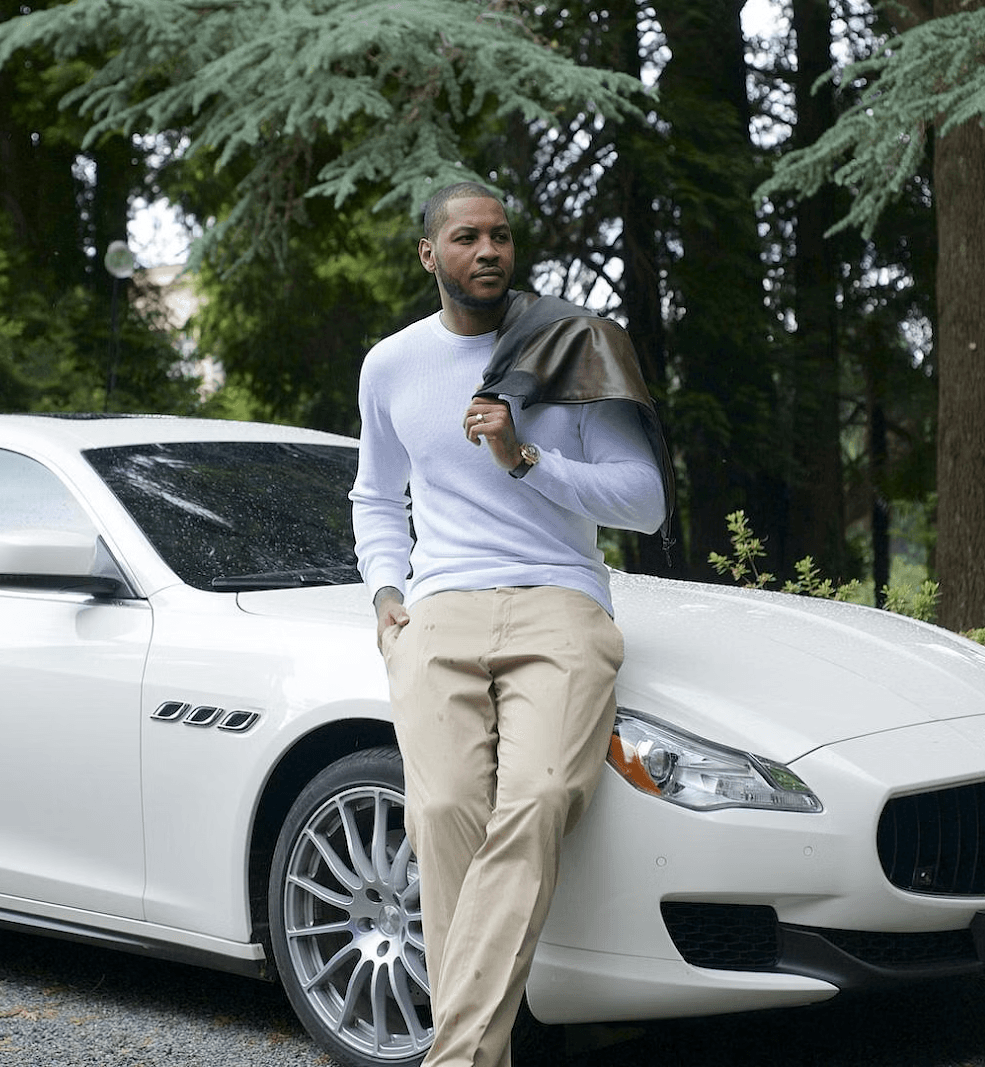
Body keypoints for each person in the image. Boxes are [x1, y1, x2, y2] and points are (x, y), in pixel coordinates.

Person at [349, 181, 671, 1067]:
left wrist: (527, 457)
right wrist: (384, 596)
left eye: (500, 235)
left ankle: (457, 1057)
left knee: (536, 799)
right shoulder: (391, 364)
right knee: (445, 808)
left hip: (559, 602)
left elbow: (642, 503)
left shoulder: (575, 347)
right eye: (466, 237)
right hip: (438, 608)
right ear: (429, 255)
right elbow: (376, 495)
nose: (488, 250)